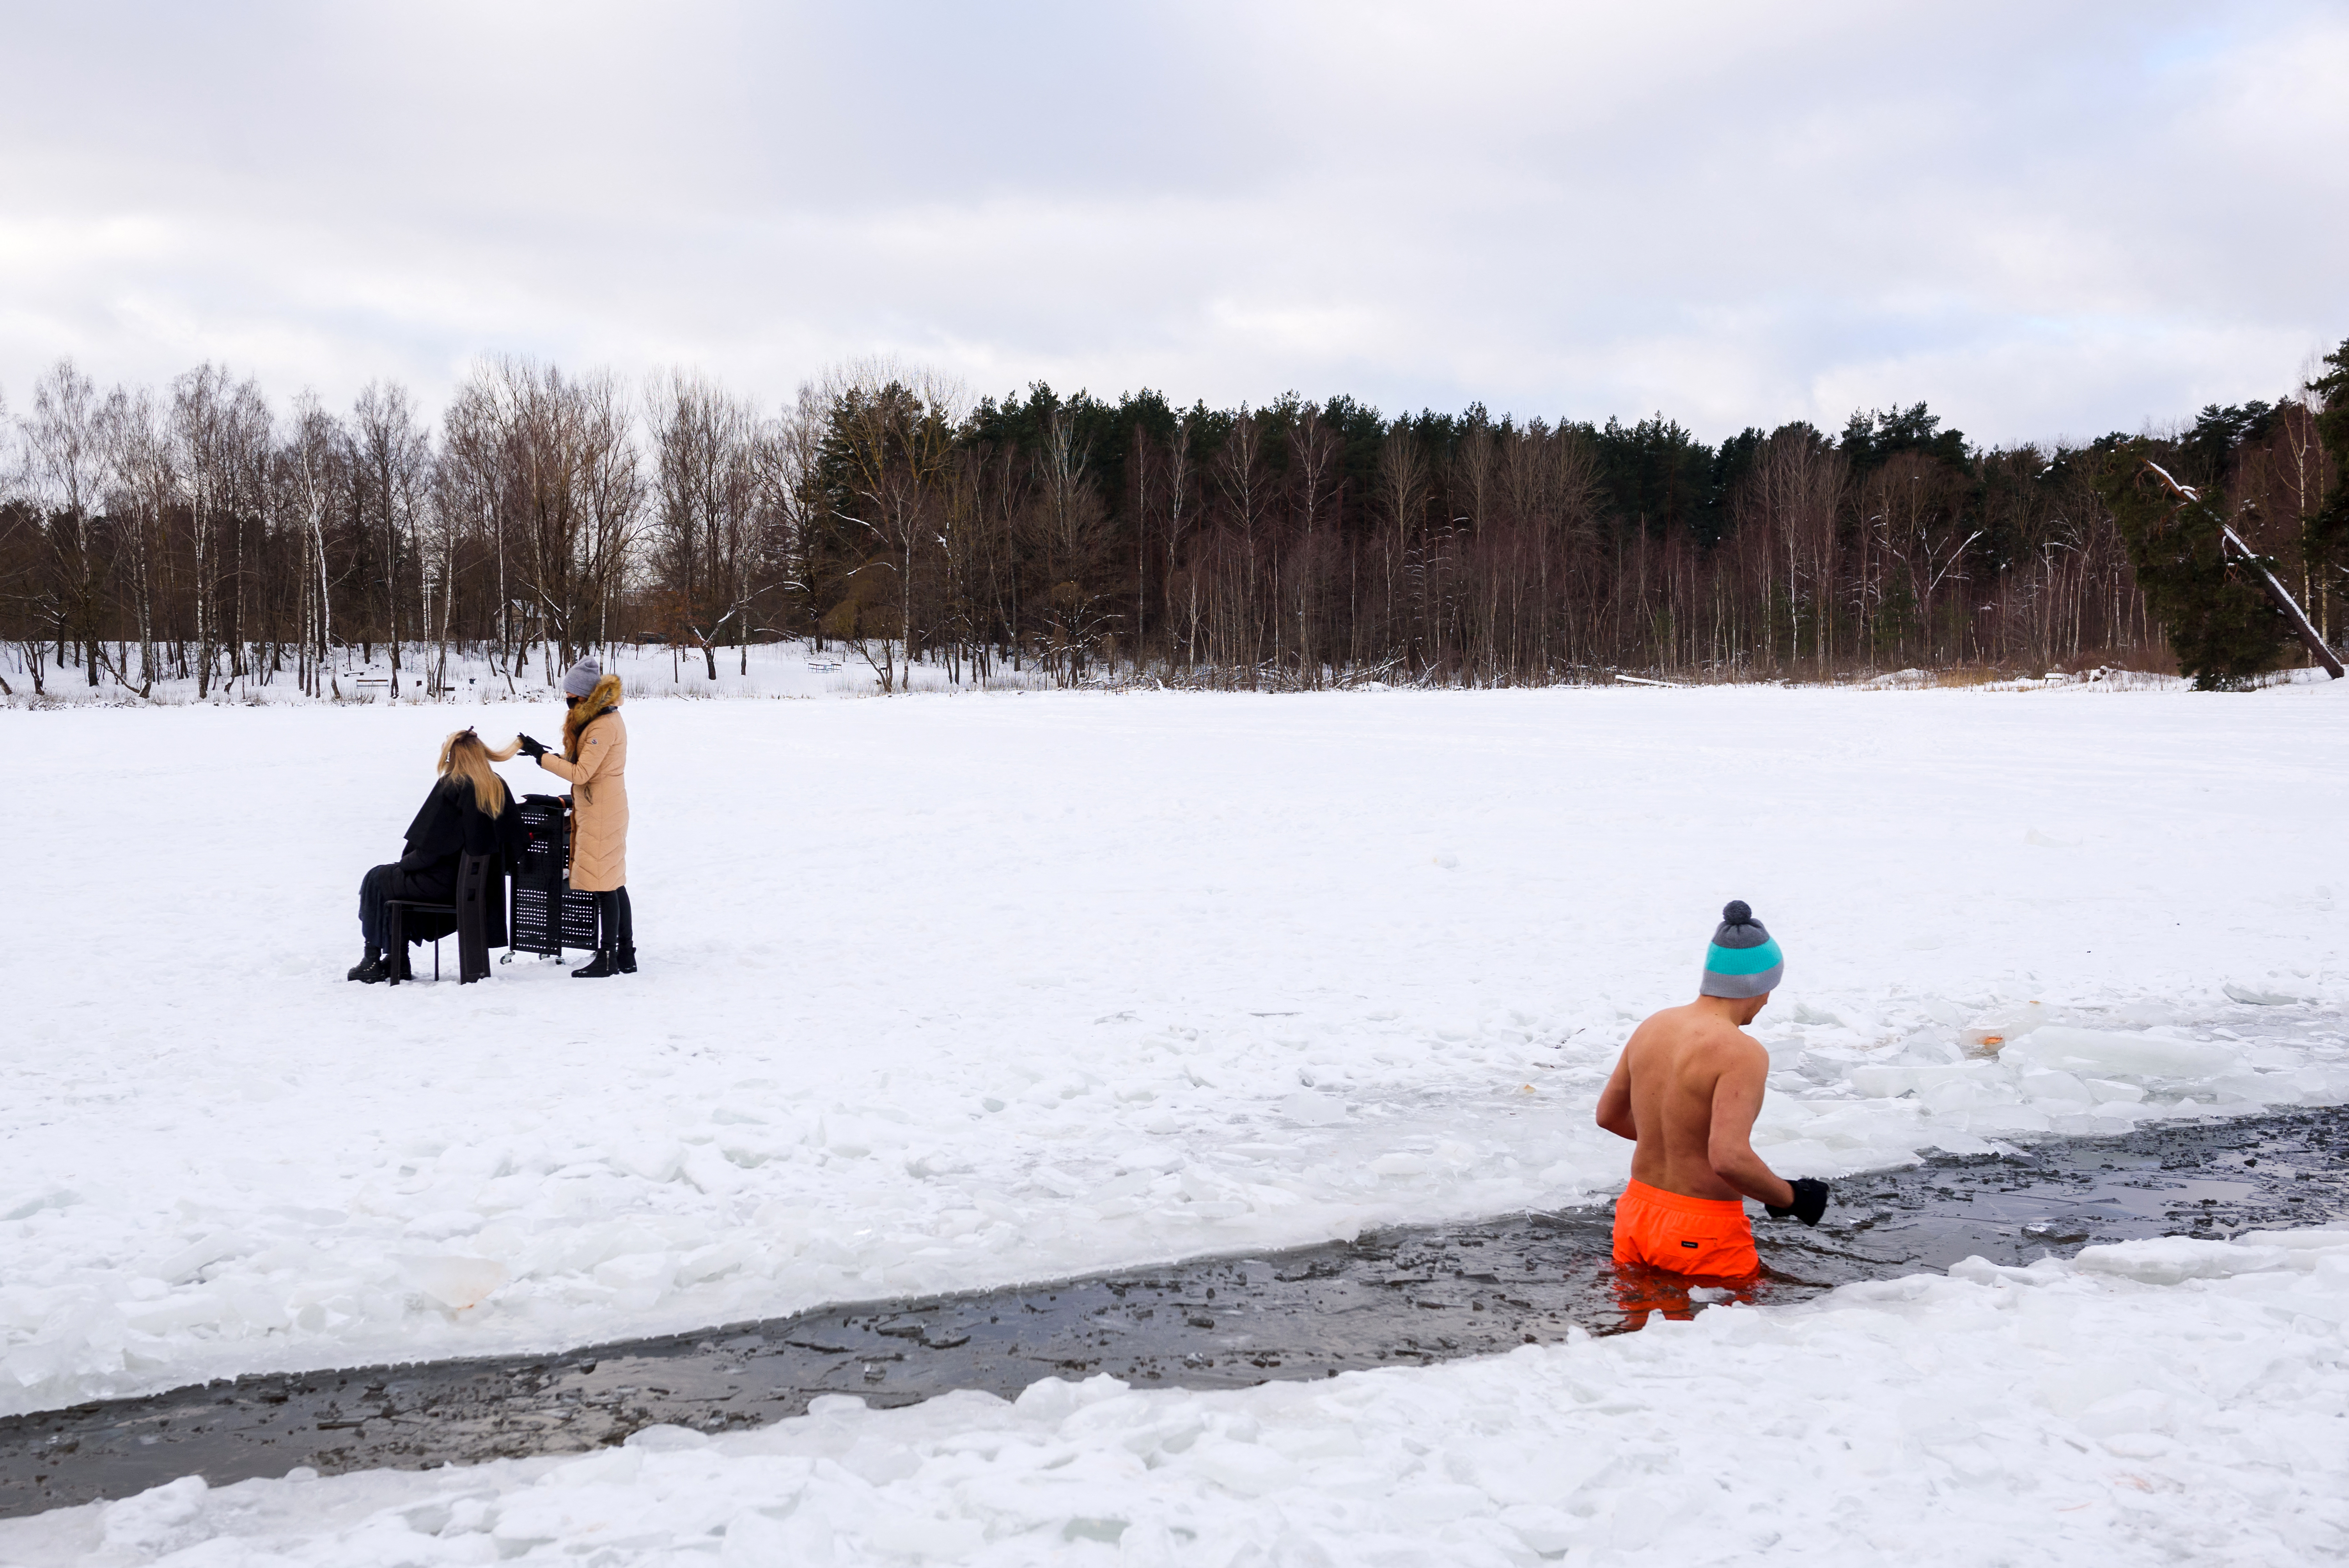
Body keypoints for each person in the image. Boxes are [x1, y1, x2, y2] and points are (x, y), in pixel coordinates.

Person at [1594, 901, 1829, 1279]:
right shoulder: (1741, 1052)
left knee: (1640, 1330)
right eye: (1771, 989)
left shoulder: (1653, 1026)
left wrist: (1677, 1142)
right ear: (1758, 984)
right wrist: (1792, 1198)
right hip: (1702, 1228)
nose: (1769, 1001)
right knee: (1734, 1334)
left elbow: (1609, 1116)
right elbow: (1728, 1159)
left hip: (1636, 1214)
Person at [349, 729, 523, 983]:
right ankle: (396, 961)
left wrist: (404, 865)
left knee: (377, 878)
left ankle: (373, 961)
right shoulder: (497, 786)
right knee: (386, 879)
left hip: (443, 884)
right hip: (481, 888)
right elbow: (514, 844)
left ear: (454, 755)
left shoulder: (454, 785)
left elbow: (431, 849)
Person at [517, 656, 633, 978]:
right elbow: (583, 763)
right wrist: (545, 751)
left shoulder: (603, 725)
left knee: (606, 886)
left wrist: (543, 760)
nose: (566, 699)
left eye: (569, 694)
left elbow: (582, 773)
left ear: (582, 696)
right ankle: (626, 954)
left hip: (602, 813)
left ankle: (609, 956)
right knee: (614, 882)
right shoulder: (599, 720)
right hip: (602, 807)